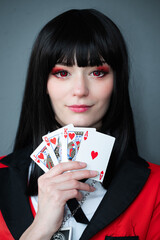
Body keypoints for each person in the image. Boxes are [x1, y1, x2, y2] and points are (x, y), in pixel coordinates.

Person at [0, 8, 160, 240]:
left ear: (117, 82)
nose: (80, 91)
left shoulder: (155, 187)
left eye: (97, 72)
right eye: (62, 73)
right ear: (43, 83)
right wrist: (40, 229)